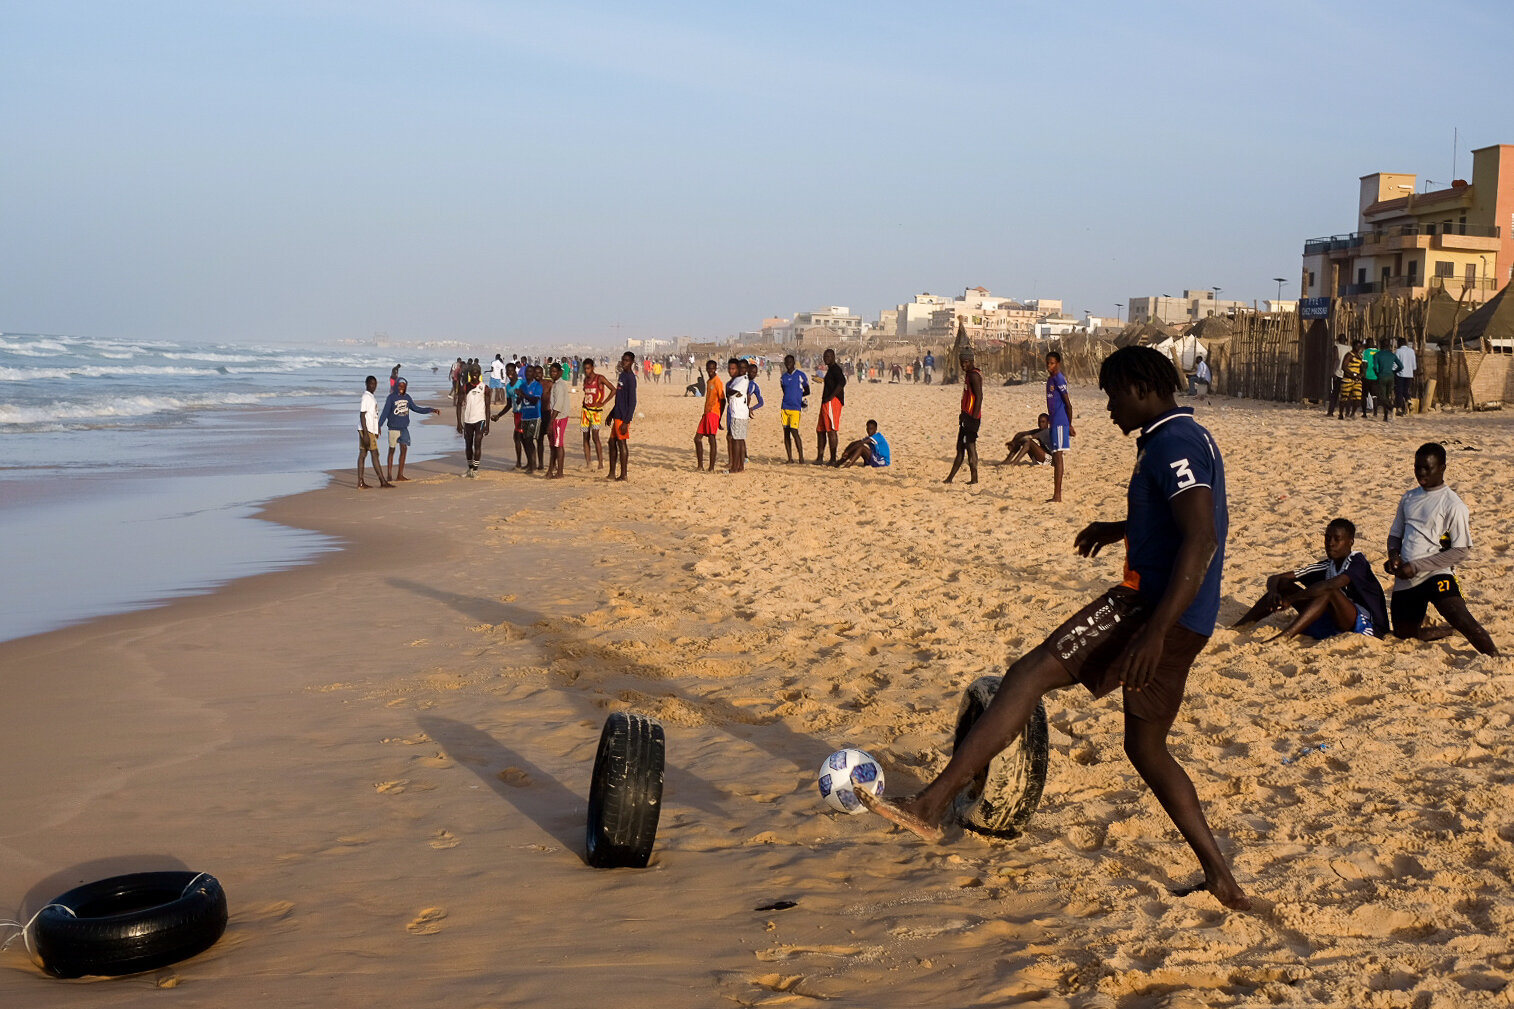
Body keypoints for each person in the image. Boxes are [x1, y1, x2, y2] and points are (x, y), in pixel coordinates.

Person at [859, 346, 1249, 911]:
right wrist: (1122, 527)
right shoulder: (1186, 433)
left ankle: (930, 804)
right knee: (1146, 747)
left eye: (1113, 395)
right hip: (1190, 617)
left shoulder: (1173, 443)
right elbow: (1183, 519)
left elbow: (1202, 537)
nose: (1108, 408)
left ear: (1140, 388)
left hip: (1152, 609)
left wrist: (1154, 631)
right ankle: (1222, 881)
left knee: (1029, 673)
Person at [1384, 443, 1499, 656]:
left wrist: (1417, 565)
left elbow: (1460, 550)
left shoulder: (1453, 504)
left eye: (1427, 468)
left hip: (1436, 574)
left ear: (1443, 468)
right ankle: (1446, 630)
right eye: (1417, 467)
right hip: (1406, 579)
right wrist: (1394, 556)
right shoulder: (1408, 498)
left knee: (1461, 617)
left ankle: (1495, 656)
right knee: (1404, 634)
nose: (1421, 473)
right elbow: (1395, 536)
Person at [1231, 518, 1388, 641]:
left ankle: (1284, 637)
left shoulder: (1357, 562)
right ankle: (1239, 626)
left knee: (1328, 591)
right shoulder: (1328, 564)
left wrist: (1292, 599)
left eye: (1336, 539)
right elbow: (1277, 578)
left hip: (1367, 625)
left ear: (1350, 542)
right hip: (1335, 621)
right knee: (1284, 585)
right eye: (1327, 538)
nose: (1330, 543)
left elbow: (1333, 585)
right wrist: (1273, 592)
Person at [378, 377, 438, 482]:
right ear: (396, 386)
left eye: (404, 386)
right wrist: (378, 426)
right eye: (400, 386)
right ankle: (389, 475)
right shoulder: (391, 398)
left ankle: (400, 475)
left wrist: (430, 410)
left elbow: (416, 408)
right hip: (393, 428)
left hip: (404, 428)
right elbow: (385, 413)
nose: (402, 388)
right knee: (392, 450)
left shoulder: (407, 398)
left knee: (404, 449)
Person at [943, 344, 982, 485]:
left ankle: (972, 478)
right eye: (961, 363)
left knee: (969, 448)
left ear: (971, 361)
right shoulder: (969, 375)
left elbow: (979, 398)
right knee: (961, 448)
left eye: (965, 362)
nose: (963, 365)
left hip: (972, 419)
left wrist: (973, 419)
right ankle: (951, 478)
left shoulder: (974, 376)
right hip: (966, 417)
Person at [1045, 350, 1075, 502]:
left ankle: (1057, 495)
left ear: (1058, 363)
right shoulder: (1050, 379)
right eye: (1047, 363)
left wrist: (1069, 425)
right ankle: (1056, 494)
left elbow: (1068, 404)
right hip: (1054, 421)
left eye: (1052, 363)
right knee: (1056, 457)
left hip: (1061, 422)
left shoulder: (1059, 379)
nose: (1049, 366)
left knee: (1058, 456)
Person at [357, 375, 394, 489]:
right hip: (366, 430)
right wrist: (367, 434)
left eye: (375, 384)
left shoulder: (371, 397)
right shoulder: (366, 397)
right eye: (371, 384)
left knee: (363, 454)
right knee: (374, 454)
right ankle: (382, 481)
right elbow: (362, 415)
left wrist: (377, 428)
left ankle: (361, 482)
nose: (373, 386)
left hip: (370, 430)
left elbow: (373, 415)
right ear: (367, 384)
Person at [578, 358, 614, 469]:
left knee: (595, 437)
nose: (587, 371)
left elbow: (613, 389)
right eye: (585, 369)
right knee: (585, 437)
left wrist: (603, 403)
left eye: (588, 368)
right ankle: (588, 462)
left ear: (592, 368)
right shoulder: (585, 380)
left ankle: (600, 463)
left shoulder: (600, 378)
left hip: (596, 412)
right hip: (585, 411)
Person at [455, 364, 490, 477]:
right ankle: (470, 468)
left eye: (477, 372)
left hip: (480, 419)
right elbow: (459, 405)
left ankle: (475, 470)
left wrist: (487, 425)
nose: (475, 374)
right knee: (468, 445)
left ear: (479, 374)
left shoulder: (485, 388)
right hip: (468, 420)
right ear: (469, 374)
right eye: (472, 372)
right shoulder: (464, 387)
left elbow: (488, 408)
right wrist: (459, 423)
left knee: (477, 443)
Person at [606, 351, 636, 481]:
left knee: (621, 443)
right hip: (617, 414)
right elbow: (619, 398)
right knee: (611, 442)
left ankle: (623, 475)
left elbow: (632, 401)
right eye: (623, 360)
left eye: (627, 360)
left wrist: (626, 421)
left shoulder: (630, 378)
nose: (624, 362)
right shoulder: (622, 376)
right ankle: (612, 472)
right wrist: (611, 413)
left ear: (632, 362)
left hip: (623, 417)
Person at [813, 348, 846, 465]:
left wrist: (831, 397)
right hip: (826, 402)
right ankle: (820, 457)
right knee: (820, 430)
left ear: (833, 357)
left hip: (832, 402)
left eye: (828, 356)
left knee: (831, 430)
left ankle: (833, 459)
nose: (825, 358)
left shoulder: (836, 369)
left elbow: (842, 382)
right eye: (824, 356)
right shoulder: (830, 370)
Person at [778, 354, 810, 464]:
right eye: (786, 362)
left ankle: (801, 458)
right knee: (786, 432)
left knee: (794, 431)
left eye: (790, 362)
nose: (788, 364)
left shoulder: (801, 375)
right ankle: (790, 458)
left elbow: (807, 390)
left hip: (796, 408)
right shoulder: (783, 378)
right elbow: (784, 391)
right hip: (784, 407)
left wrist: (799, 397)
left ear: (794, 362)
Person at [694, 359, 725, 471]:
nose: (710, 370)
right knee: (697, 439)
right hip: (706, 413)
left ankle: (711, 467)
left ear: (715, 369)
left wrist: (719, 418)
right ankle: (700, 466)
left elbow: (723, 400)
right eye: (709, 368)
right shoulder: (709, 381)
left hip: (714, 413)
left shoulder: (718, 382)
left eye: (713, 368)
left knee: (712, 439)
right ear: (706, 369)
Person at [545, 362, 572, 479]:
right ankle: (551, 469)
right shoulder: (556, 384)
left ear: (560, 373)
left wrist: (551, 422)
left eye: (555, 371)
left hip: (559, 418)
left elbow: (558, 406)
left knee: (558, 445)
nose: (552, 374)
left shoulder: (560, 385)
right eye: (551, 371)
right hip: (556, 417)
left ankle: (560, 472)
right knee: (554, 445)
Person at [516, 365, 543, 474]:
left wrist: (523, 394)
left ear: (533, 374)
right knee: (525, 440)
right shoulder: (522, 385)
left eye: (530, 372)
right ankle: (530, 463)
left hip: (535, 416)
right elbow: (519, 401)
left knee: (530, 440)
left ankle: (533, 465)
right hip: (525, 416)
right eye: (526, 372)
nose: (528, 374)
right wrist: (518, 396)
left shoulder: (537, 386)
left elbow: (534, 400)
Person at [725, 358, 750, 474]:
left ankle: (735, 467)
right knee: (738, 440)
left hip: (738, 413)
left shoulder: (743, 379)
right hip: (739, 412)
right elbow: (730, 393)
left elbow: (730, 392)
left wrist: (732, 392)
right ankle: (740, 466)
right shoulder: (738, 379)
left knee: (736, 440)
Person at [1373, 336, 1399, 422]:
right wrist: (1394, 371)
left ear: (1380, 345)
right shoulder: (1392, 355)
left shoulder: (1377, 355)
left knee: (1382, 397)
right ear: (1388, 346)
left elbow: (1375, 367)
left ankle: (1391, 408)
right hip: (1391, 376)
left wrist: (1377, 373)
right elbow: (1401, 366)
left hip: (1382, 376)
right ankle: (1385, 416)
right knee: (1387, 397)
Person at [1327, 335, 1350, 417]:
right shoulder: (1349, 348)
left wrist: (1332, 370)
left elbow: (1335, 358)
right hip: (1347, 373)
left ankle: (1330, 412)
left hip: (1338, 372)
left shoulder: (1336, 347)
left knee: (1335, 393)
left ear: (1338, 340)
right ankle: (1347, 412)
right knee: (1346, 394)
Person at [1340, 339, 1363, 420]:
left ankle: (1352, 413)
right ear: (1353, 346)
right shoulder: (1349, 355)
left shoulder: (1360, 356)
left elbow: (1362, 368)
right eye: (1357, 345)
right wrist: (1353, 374)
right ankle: (1341, 414)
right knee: (1344, 398)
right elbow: (1344, 366)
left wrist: (1361, 374)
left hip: (1357, 380)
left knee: (1357, 398)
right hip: (1348, 379)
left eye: (1360, 346)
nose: (1358, 347)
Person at [1394, 337, 1417, 415]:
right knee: (1406, 390)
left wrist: (1393, 371)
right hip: (1409, 374)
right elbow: (1414, 365)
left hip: (1400, 374)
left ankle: (1399, 408)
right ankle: (1409, 400)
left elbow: (1395, 362)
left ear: (1399, 343)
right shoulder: (1411, 351)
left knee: (1399, 391)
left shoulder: (1398, 351)